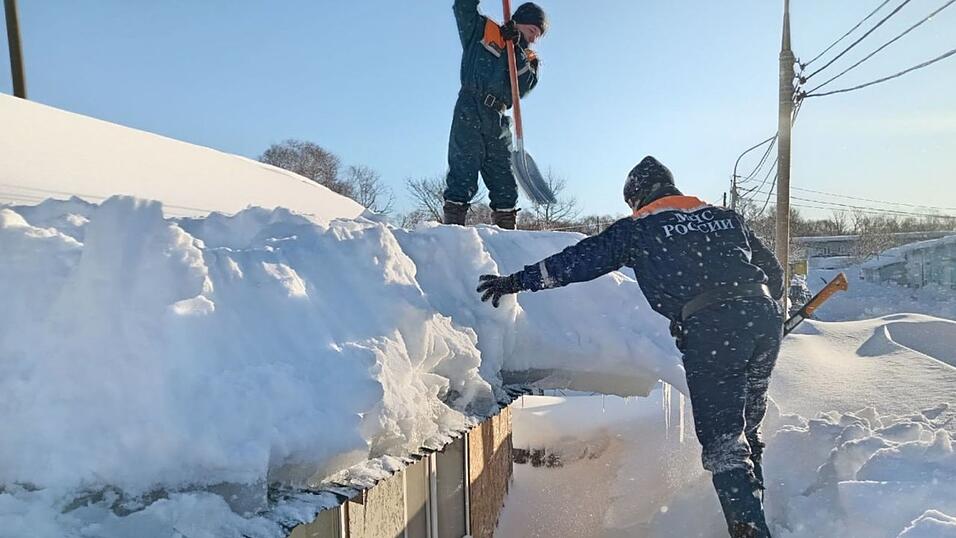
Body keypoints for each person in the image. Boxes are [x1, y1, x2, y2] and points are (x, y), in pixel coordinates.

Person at [476, 156, 785, 537]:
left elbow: (578, 261)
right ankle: (758, 508)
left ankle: (752, 531)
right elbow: (773, 271)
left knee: (724, 442)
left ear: (636, 198)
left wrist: (516, 282)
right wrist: (766, 306)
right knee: (747, 425)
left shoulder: (639, 228)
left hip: (713, 328)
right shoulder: (725, 216)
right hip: (763, 318)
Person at [442, 1, 548, 229]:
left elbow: (524, 86)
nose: (534, 38)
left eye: (538, 35)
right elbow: (463, 7)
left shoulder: (530, 59)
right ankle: (451, 231)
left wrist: (517, 49)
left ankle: (506, 235)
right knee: (463, 169)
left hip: (498, 118)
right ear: (520, 22)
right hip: (470, 106)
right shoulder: (483, 30)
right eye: (532, 31)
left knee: (504, 180)